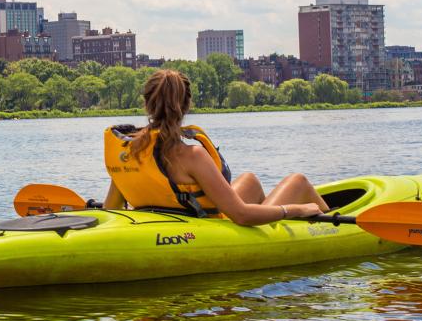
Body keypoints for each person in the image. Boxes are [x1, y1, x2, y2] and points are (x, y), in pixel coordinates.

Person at [102, 68, 329, 226]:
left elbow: (111, 209)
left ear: (147, 103)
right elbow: (241, 215)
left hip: (169, 224)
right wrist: (295, 209)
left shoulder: (129, 151)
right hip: (201, 230)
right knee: (297, 181)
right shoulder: (192, 155)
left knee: (249, 179)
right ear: (186, 105)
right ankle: (337, 228)